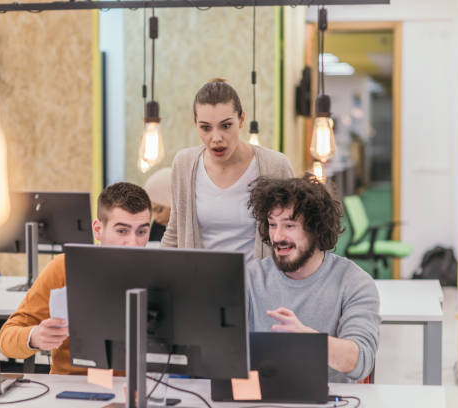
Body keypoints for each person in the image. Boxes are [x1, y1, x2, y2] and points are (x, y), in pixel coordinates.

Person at [0, 182, 152, 375]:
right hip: (71, 389)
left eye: (142, 232)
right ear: (98, 229)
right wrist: (35, 336)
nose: (133, 243)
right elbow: (6, 338)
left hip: (134, 388)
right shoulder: (64, 267)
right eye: (122, 231)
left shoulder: (158, 273)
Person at [246, 175, 380, 383]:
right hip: (260, 399)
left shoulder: (354, 282)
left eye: (289, 225)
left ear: (316, 228)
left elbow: (361, 361)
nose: (278, 236)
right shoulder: (251, 277)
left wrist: (310, 341)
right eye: (272, 225)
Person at [161, 79, 294, 261]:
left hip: (258, 285)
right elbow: (175, 231)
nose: (216, 138)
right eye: (205, 128)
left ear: (241, 120)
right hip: (200, 283)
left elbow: (293, 232)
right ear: (196, 123)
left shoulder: (275, 166)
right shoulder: (184, 164)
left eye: (226, 126)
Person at [143, 167, 172, 242]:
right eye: (152, 211)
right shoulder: (158, 227)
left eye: (159, 210)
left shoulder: (200, 229)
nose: (155, 217)